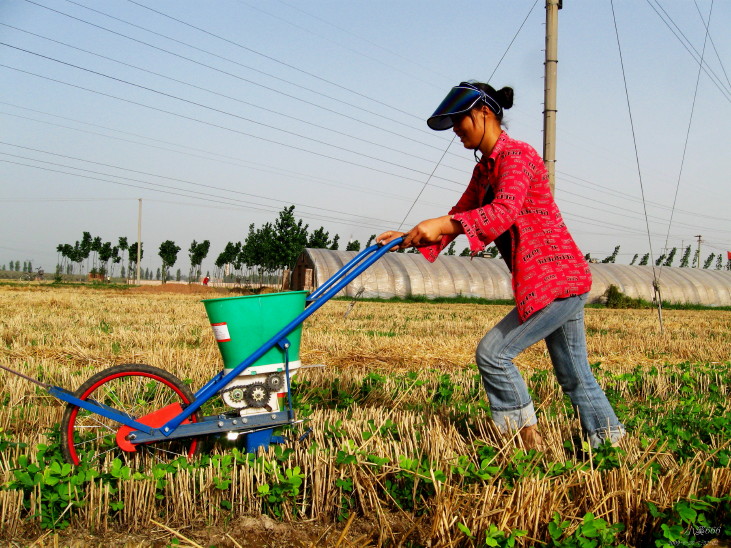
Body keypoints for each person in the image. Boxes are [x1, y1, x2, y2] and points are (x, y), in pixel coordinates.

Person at [377, 81, 625, 450]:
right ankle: (610, 446)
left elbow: (503, 210)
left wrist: (443, 225)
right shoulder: (485, 171)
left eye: (460, 122)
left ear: (484, 112)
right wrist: (411, 234)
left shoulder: (517, 157)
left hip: (556, 280)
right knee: (574, 374)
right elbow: (460, 216)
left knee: (493, 354)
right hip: (554, 281)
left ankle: (524, 443)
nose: (457, 132)